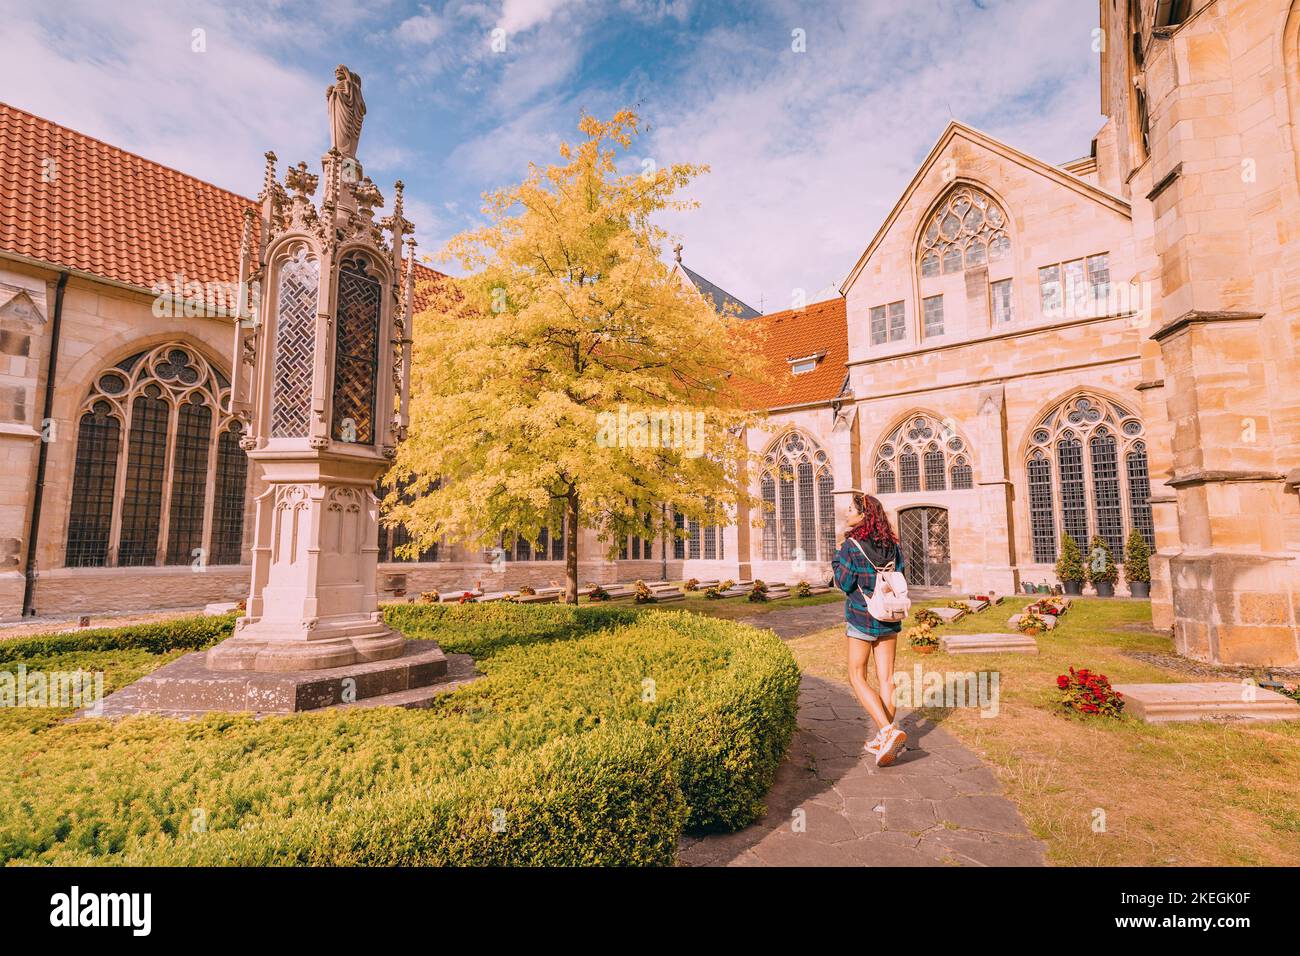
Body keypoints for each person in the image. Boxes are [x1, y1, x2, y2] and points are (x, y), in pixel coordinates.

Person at [832, 492, 908, 766]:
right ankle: (884, 734)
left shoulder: (851, 545)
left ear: (863, 515)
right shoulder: (892, 546)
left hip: (862, 617)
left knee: (856, 675)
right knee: (886, 679)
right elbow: (899, 575)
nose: (847, 513)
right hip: (889, 616)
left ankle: (888, 731)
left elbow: (843, 582)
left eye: (851, 509)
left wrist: (837, 556)